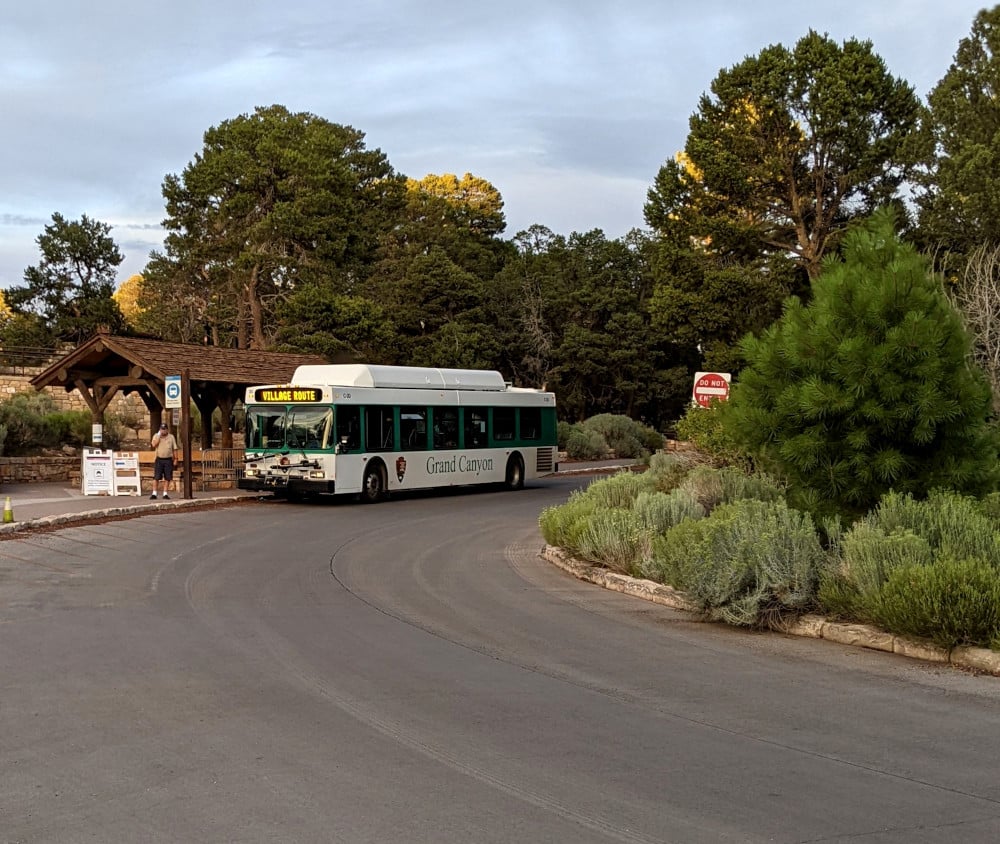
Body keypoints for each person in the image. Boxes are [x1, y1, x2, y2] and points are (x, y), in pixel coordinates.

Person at [150, 422, 178, 499]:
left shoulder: (171, 437)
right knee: (156, 477)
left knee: (167, 477)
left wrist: (176, 459)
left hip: (168, 459)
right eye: (162, 429)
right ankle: (154, 493)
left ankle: (165, 493)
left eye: (164, 429)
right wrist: (159, 436)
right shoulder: (156, 436)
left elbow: (174, 448)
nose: (163, 431)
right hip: (159, 459)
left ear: (167, 430)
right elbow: (154, 445)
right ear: (160, 429)